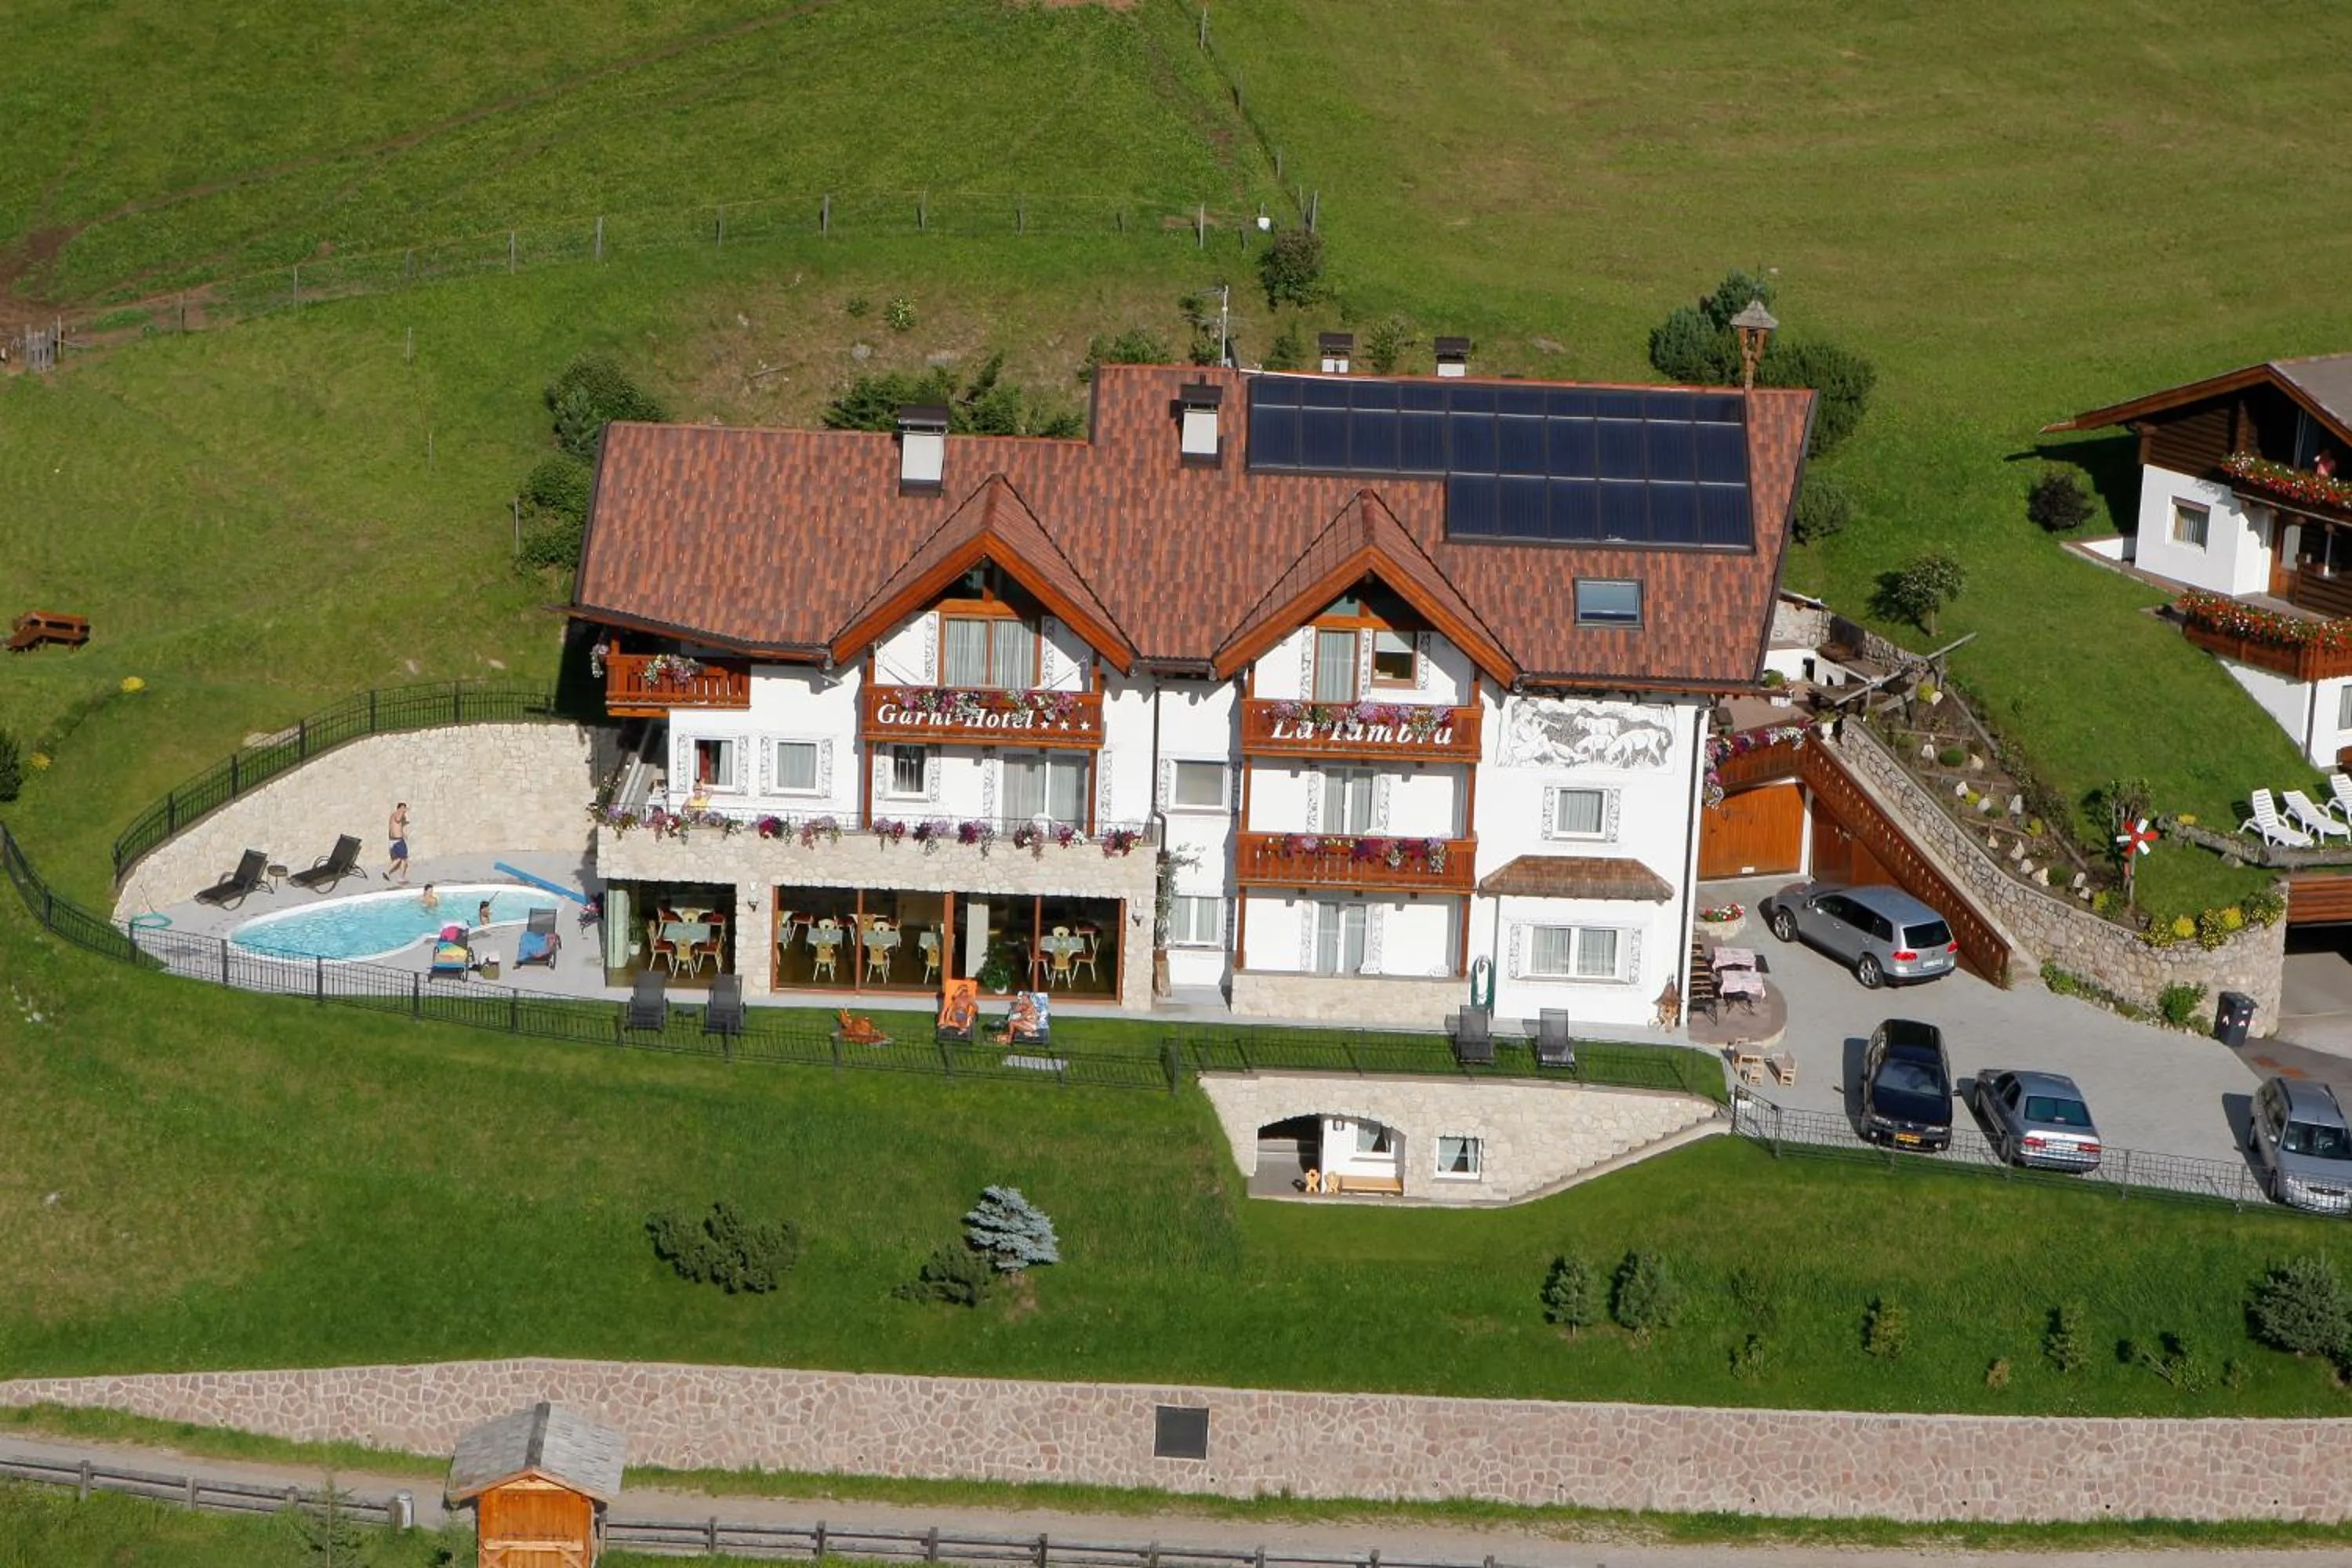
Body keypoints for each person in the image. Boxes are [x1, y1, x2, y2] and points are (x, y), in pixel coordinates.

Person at [384, 802, 411, 884]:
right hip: (398, 841)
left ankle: (387, 872)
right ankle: (401, 878)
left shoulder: (393, 816)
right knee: (403, 859)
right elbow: (398, 819)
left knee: (398, 859)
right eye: (402, 808)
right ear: (399, 808)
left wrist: (403, 834)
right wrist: (403, 812)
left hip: (393, 840)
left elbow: (397, 826)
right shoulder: (397, 814)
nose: (404, 810)